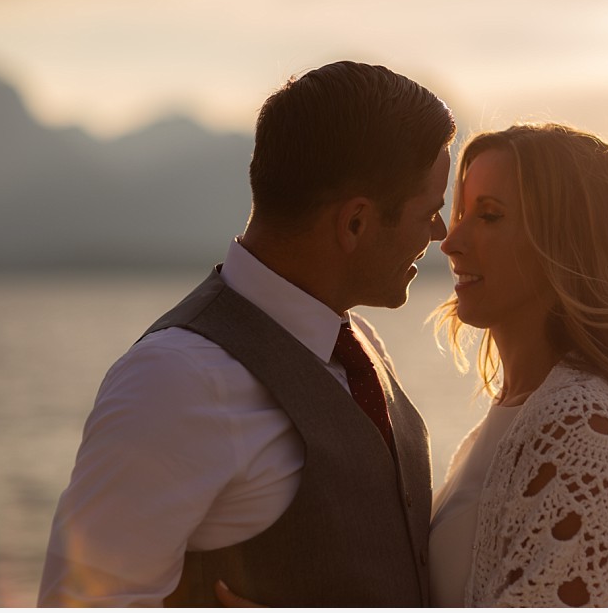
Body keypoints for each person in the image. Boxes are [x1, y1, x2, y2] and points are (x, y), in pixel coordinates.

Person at [37, 60, 456, 607]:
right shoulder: (175, 381)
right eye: (429, 212)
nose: (441, 233)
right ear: (355, 222)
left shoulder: (361, 345)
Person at [427, 123, 608, 607]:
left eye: (488, 216)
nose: (451, 242)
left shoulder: (586, 424)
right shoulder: (514, 418)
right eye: (460, 213)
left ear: (565, 244)